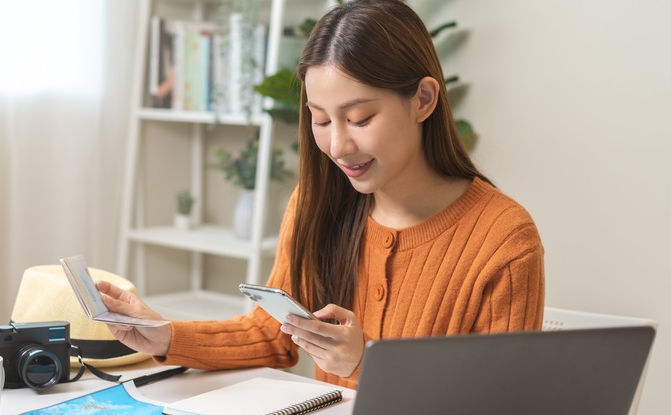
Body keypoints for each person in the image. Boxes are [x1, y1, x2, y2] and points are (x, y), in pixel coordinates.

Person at [97, 0, 544, 389]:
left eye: (360, 118)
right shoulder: (316, 204)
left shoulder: (504, 238)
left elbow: (498, 406)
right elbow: (273, 336)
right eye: (322, 120)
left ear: (424, 100)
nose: (338, 146)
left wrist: (365, 362)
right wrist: (164, 335)